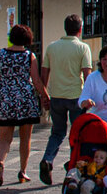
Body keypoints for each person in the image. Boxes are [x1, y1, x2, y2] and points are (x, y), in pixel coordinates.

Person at [0, 24, 47, 186]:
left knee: (4, 138)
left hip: (6, 100)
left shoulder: (0, 54)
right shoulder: (29, 56)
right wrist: (45, 96)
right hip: (25, 101)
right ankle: (23, 171)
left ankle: (0, 163)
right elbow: (35, 81)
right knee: (25, 138)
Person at [39, 15, 94, 184]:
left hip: (56, 95)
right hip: (75, 96)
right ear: (80, 28)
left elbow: (44, 73)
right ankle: (72, 165)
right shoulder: (83, 48)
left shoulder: (52, 47)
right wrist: (88, 96)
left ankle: (48, 159)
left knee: (57, 132)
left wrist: (44, 94)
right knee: (76, 134)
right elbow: (87, 74)